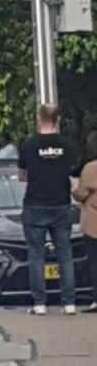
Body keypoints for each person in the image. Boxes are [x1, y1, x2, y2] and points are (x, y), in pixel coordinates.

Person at [18, 104, 80, 315]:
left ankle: (39, 303)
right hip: (61, 204)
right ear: (58, 119)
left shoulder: (28, 146)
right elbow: (73, 173)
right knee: (64, 254)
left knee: (36, 255)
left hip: (35, 204)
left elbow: (21, 175)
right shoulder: (68, 146)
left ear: (38, 119)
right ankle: (69, 303)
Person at [72, 131, 97, 312]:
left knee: (94, 263)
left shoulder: (90, 168)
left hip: (93, 223)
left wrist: (74, 187)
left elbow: (81, 194)